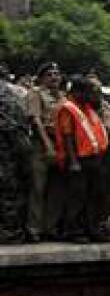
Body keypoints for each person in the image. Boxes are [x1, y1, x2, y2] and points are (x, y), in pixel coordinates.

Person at [54, 75, 109, 243]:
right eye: (88, 92)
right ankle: (74, 231)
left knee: (95, 194)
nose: (91, 95)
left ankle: (92, 228)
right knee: (77, 196)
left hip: (93, 158)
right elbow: (67, 135)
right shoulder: (68, 108)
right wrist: (73, 162)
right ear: (77, 91)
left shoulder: (86, 106)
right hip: (78, 159)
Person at [24, 62, 64, 242]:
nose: (54, 77)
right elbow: (36, 120)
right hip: (41, 143)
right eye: (50, 74)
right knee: (38, 187)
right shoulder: (36, 93)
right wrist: (48, 145)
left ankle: (51, 226)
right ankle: (34, 228)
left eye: (57, 74)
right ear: (41, 78)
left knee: (56, 187)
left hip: (61, 143)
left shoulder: (63, 97)